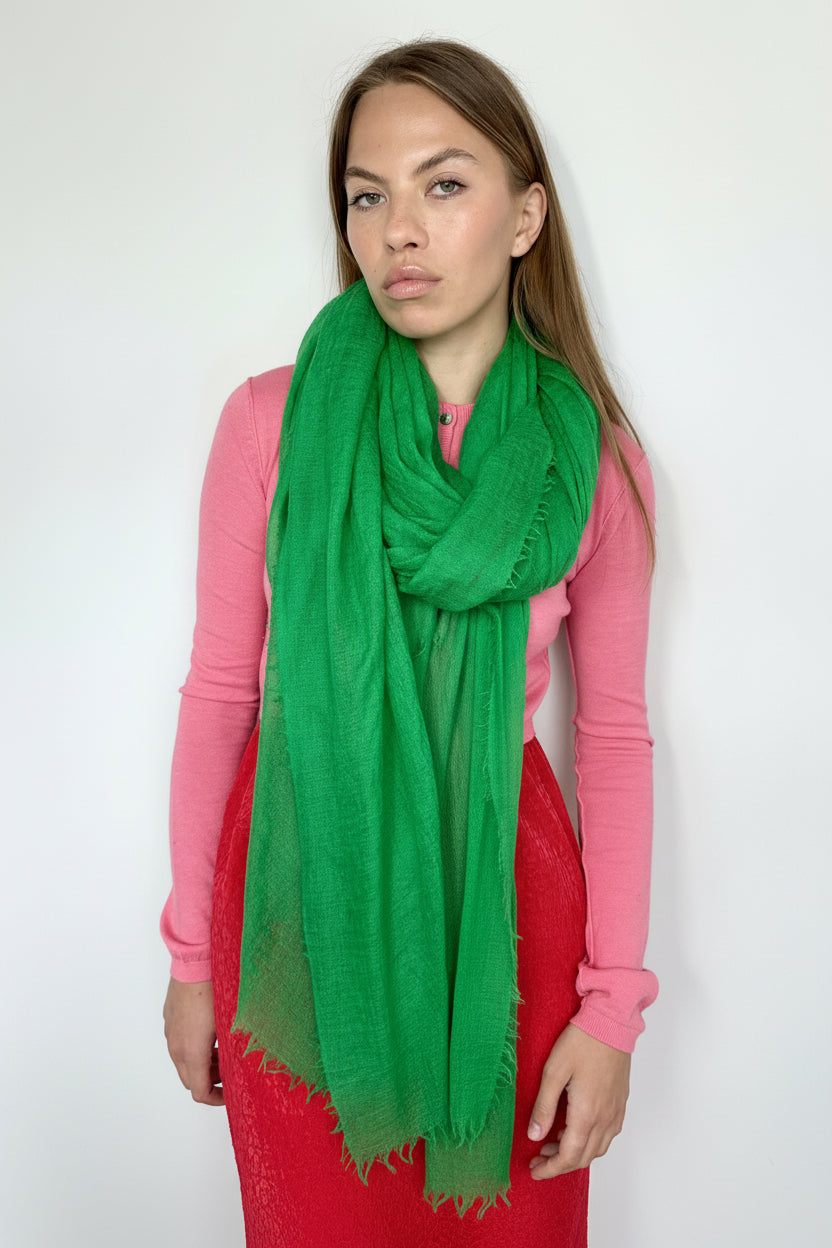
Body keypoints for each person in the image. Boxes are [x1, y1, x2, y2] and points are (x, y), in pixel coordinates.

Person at [161, 37, 659, 1248]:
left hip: (509, 915)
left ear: (525, 216)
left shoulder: (590, 464)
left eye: (443, 184)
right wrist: (191, 961)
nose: (399, 231)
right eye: (366, 195)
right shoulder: (270, 423)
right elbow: (221, 696)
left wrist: (610, 1011)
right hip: (298, 906)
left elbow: (612, 738)